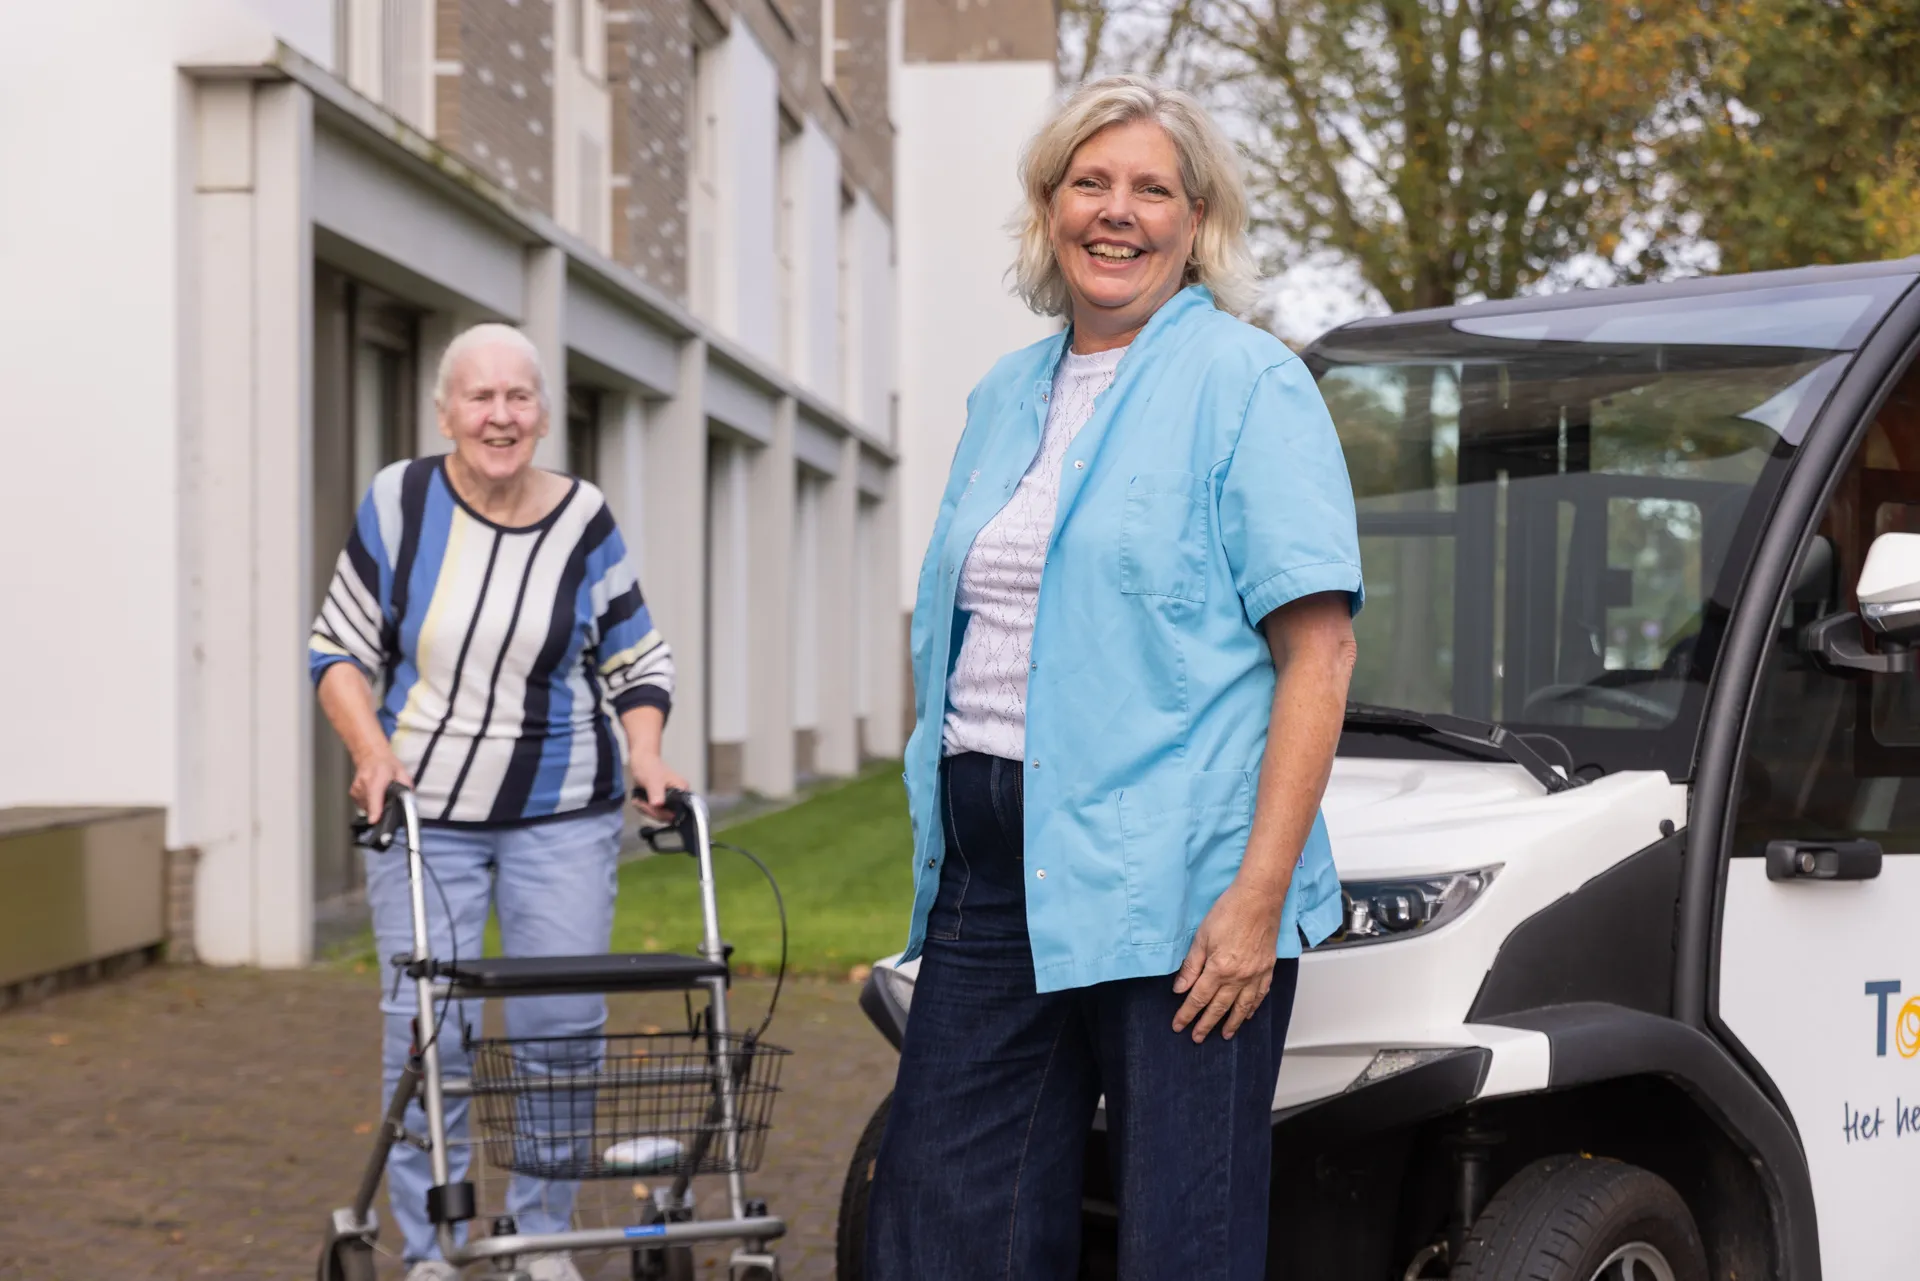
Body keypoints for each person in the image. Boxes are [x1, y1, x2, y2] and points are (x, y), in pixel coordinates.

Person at [867, 74, 1364, 1279]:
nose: (1117, 212)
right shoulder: (1002, 395)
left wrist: (1255, 902)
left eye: (1151, 189)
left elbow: (1320, 651)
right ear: (1050, 210)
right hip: (993, 873)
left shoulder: (1249, 382)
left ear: (1198, 221)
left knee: (1179, 1243)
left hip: (1183, 886)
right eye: (1089, 183)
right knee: (945, 1226)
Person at [309, 323, 686, 1281]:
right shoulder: (400, 502)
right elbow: (338, 646)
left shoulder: (583, 519)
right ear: (445, 413)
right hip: (424, 814)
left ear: (544, 415)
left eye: (519, 396)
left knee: (561, 1030)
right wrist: (370, 752)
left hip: (562, 813)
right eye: (479, 397)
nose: (500, 415)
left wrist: (646, 752)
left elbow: (637, 656)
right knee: (428, 1033)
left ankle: (542, 1238)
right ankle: (433, 1248)